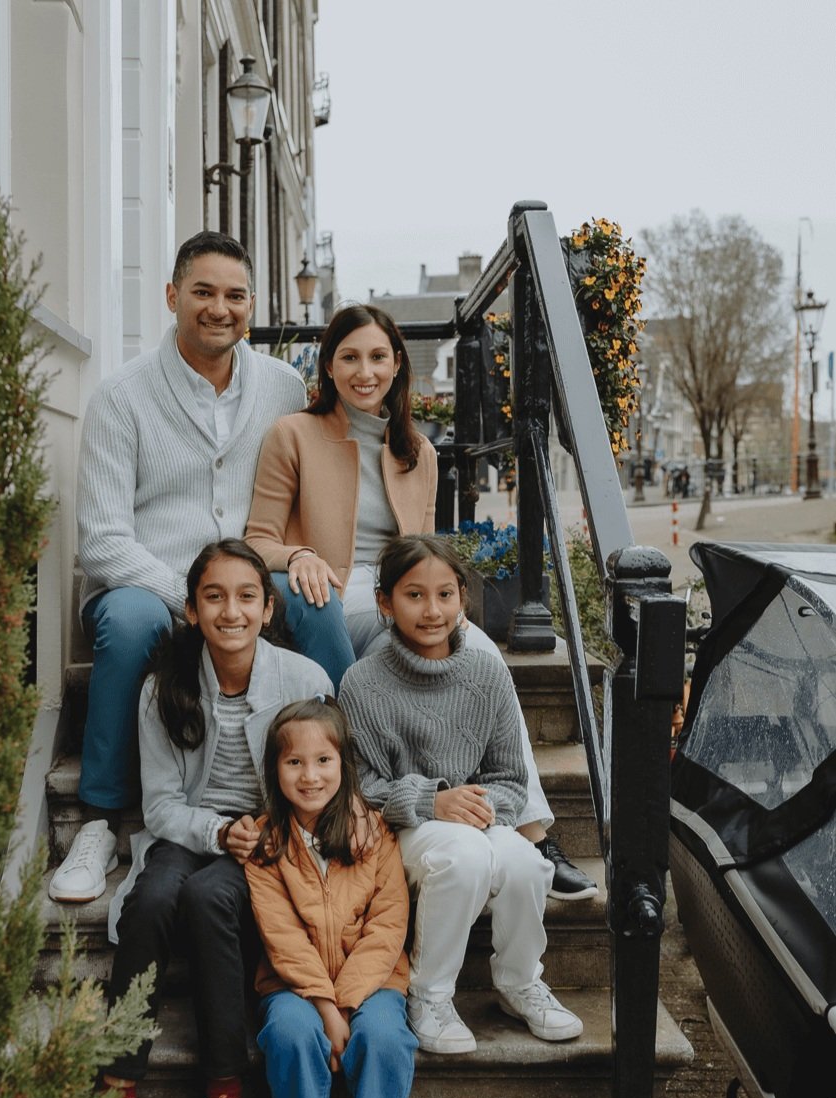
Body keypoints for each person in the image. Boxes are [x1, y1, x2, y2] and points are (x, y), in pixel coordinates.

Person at [244, 303, 596, 901]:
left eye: (378, 356)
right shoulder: (292, 435)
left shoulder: (419, 452)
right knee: (405, 653)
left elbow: (423, 549)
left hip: (398, 591)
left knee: (481, 651)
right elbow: (258, 539)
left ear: (397, 364)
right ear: (328, 365)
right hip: (326, 586)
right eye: (350, 357)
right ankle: (402, 799)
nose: (364, 371)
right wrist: (298, 554)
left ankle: (532, 833)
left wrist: (433, 600)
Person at [50, 231, 307, 904]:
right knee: (132, 623)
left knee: (313, 599)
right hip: (143, 584)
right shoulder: (121, 396)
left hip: (249, 582)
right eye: (202, 292)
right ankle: (101, 819)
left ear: (252, 304)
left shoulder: (284, 389)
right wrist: (189, 599)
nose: (219, 308)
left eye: (234, 295)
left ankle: (331, 793)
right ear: (171, 296)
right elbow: (102, 540)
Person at [86, 541, 331, 1098]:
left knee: (210, 897)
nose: (231, 610)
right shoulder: (163, 686)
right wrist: (218, 832)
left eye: (246, 595)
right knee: (152, 900)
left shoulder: (304, 677)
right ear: (191, 610)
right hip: (190, 832)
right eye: (214, 597)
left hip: (266, 845)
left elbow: (322, 782)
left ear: (267, 605)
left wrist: (272, 830)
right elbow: (160, 806)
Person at [339, 535, 583, 1055]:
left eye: (445, 594)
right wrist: (432, 802)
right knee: (466, 857)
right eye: (414, 595)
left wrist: (480, 807)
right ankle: (429, 994)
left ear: (462, 600)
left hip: (476, 820)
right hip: (400, 832)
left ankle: (519, 982)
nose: (432, 610)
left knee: (524, 861)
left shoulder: (487, 673)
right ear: (385, 603)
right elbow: (363, 789)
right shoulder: (361, 684)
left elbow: (511, 777)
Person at [246, 698, 417, 1098]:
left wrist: (346, 1004)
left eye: (324, 761)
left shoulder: (377, 837)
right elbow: (282, 939)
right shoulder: (265, 846)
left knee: (386, 1033)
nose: (310, 776)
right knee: (288, 1032)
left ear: (344, 765)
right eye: (294, 762)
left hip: (374, 980)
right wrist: (323, 1007)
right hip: (292, 985)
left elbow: (388, 927)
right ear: (275, 771)